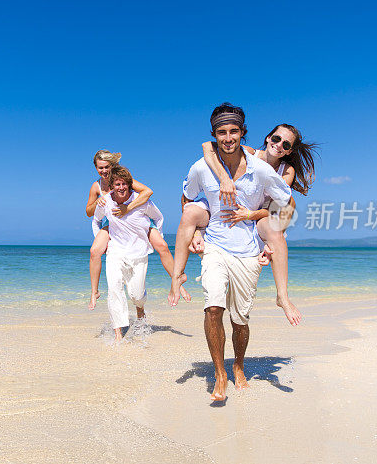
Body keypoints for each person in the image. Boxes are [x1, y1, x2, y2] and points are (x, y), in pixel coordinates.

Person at [171, 102, 295, 401]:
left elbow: (286, 205)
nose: (228, 138)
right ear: (215, 135)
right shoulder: (201, 167)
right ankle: (220, 372)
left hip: (248, 251)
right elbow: (187, 199)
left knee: (240, 320)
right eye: (222, 132)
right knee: (213, 308)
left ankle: (238, 365)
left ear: (244, 133)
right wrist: (197, 233)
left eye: (234, 131)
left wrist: (259, 223)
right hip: (215, 246)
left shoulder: (263, 171)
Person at [168, 123, 317, 326]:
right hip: (223, 206)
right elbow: (207, 147)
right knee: (191, 212)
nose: (279, 145)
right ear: (268, 138)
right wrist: (223, 178)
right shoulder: (248, 153)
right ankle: (178, 275)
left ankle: (282, 296)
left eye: (286, 144)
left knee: (282, 220)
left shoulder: (286, 170)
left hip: (259, 214)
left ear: (290, 150)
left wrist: (250, 214)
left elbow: (276, 208)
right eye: (276, 138)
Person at [86, 150, 189, 309]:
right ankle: (94, 292)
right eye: (100, 168)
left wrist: (127, 208)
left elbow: (148, 192)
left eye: (107, 167)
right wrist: (98, 202)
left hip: (137, 220)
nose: (104, 171)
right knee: (94, 251)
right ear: (96, 168)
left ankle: (177, 282)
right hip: (113, 223)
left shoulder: (124, 180)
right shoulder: (96, 186)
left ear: (112, 165)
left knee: (162, 246)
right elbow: (88, 212)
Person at [92, 165, 166, 341]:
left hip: (138, 253)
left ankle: (140, 310)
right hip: (115, 252)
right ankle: (118, 333)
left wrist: (154, 235)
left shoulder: (141, 202)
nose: (121, 187)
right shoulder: (106, 202)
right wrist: (103, 239)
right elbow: (96, 220)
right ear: (112, 185)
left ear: (130, 185)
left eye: (124, 184)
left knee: (137, 295)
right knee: (114, 289)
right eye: (117, 184)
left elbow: (158, 217)